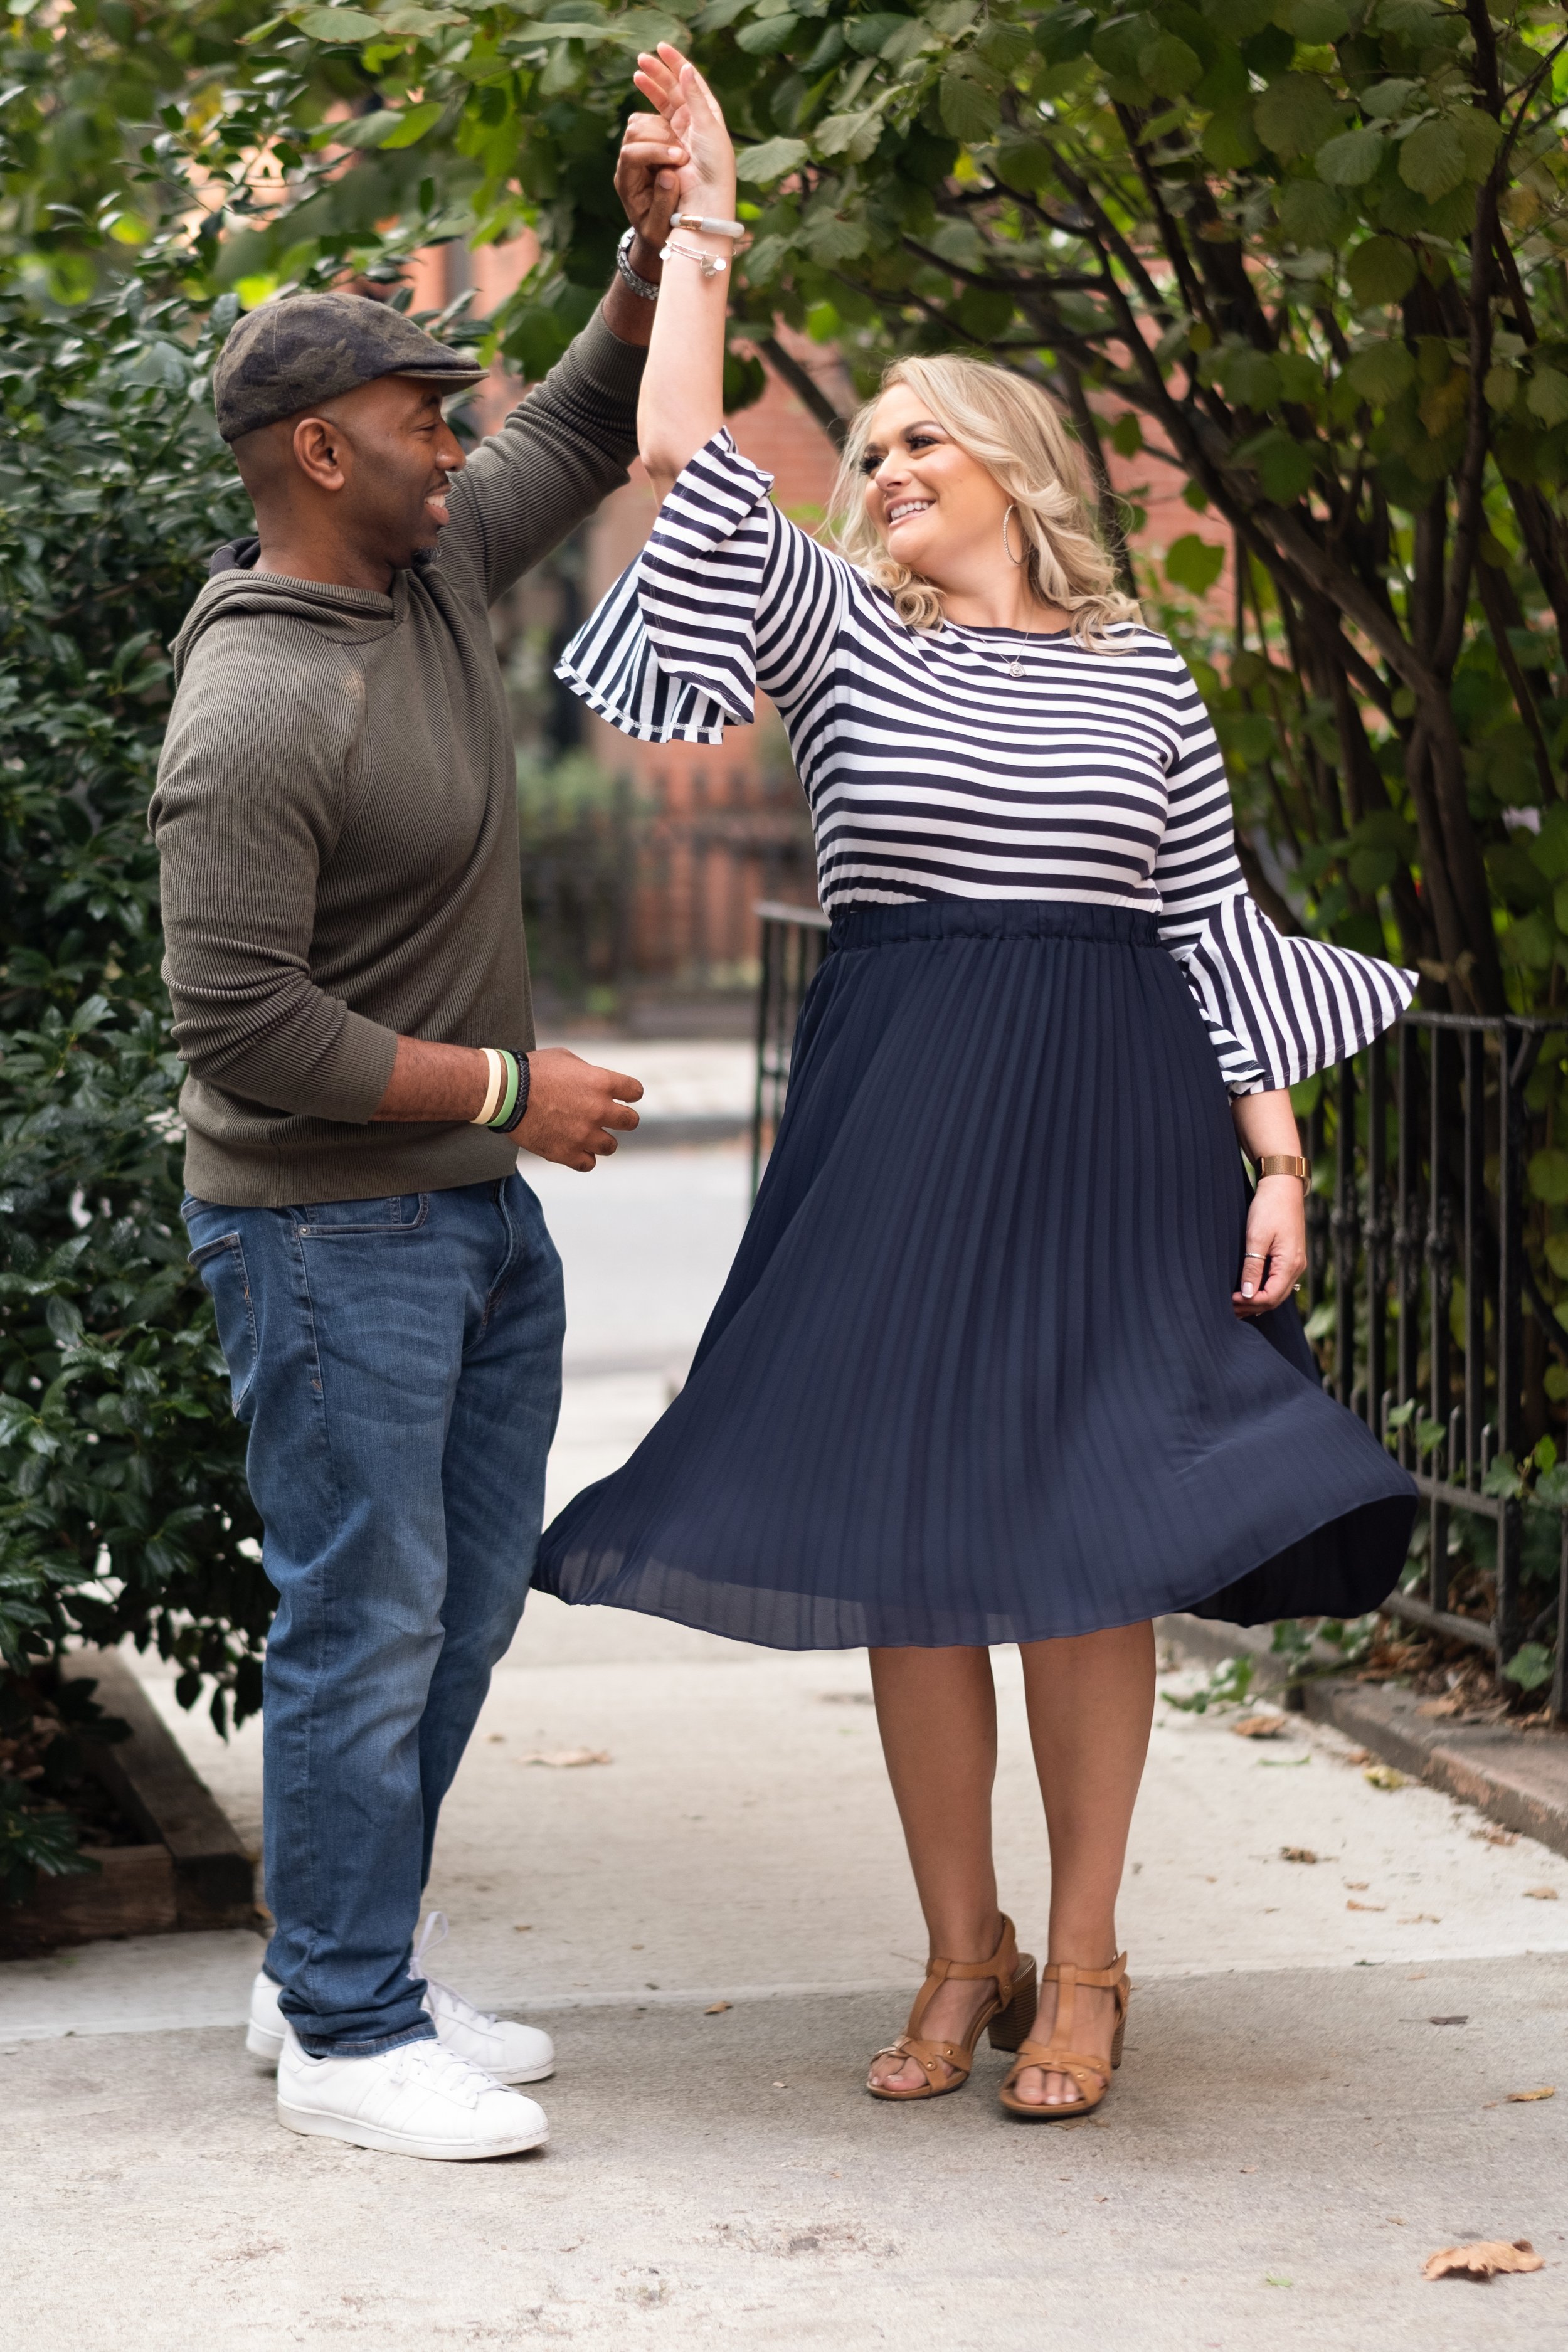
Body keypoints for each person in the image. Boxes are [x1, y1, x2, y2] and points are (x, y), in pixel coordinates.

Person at [534, 48, 1419, 2121]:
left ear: (1022, 470)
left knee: (1087, 1542)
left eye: (927, 439)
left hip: (1117, 1125)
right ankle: (962, 1950)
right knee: (917, 1546)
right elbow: (682, 442)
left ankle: (1087, 1955)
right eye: (877, 451)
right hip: (908, 1115)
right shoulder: (852, 638)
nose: (890, 467)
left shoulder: (1139, 675)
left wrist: (1272, 1148)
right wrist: (708, 235)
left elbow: (1208, 912)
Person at [150, 121, 692, 2162]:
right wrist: (503, 1089)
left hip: (463, 1223)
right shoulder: (263, 711)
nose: (456, 443)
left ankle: (339, 1951)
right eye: (415, 416)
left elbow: (578, 413)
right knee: (365, 1615)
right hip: (328, 1236)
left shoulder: (433, 564)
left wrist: (642, 258)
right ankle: (350, 2032)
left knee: (455, 1609)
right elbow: (241, 1025)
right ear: (314, 452)